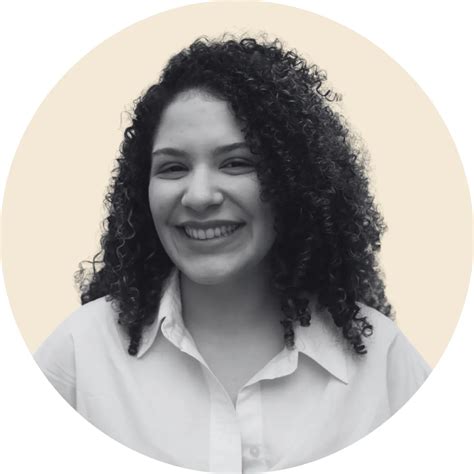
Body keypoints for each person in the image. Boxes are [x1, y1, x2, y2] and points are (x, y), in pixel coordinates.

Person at [34, 36, 430, 472]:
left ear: (295, 183)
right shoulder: (79, 354)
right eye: (173, 167)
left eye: (237, 163)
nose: (199, 196)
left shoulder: (384, 364)